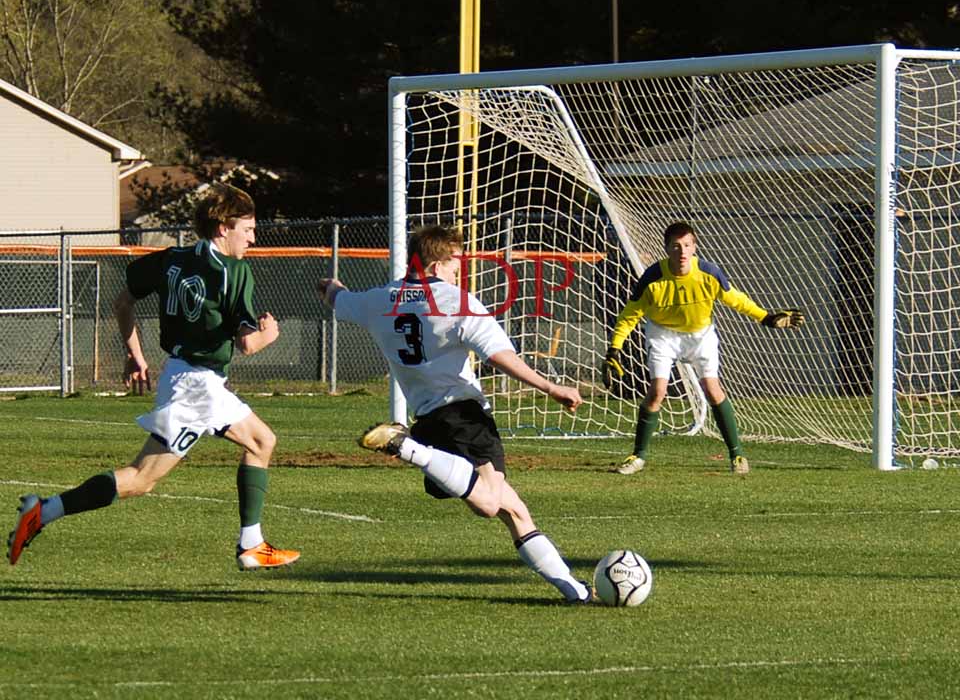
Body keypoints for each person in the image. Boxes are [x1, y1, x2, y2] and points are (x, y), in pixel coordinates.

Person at [7, 186, 300, 571]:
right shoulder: (233, 272)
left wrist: (135, 354)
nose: (252, 238)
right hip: (197, 387)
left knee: (262, 441)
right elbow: (248, 344)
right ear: (222, 228)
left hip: (187, 377)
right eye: (247, 229)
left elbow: (122, 302)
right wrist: (270, 334)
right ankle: (43, 512)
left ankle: (252, 543)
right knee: (140, 479)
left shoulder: (171, 258)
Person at [318, 224, 593, 604]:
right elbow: (499, 356)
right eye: (455, 267)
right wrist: (551, 387)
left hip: (430, 420)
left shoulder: (378, 300)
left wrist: (329, 286)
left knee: (515, 511)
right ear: (435, 266)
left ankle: (575, 591)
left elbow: (335, 297)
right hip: (464, 415)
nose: (457, 275)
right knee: (490, 503)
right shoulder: (457, 302)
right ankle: (408, 448)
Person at [602, 221, 805, 476]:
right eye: (676, 246)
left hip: (700, 335)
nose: (682, 251)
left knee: (712, 389)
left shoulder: (709, 273)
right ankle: (638, 456)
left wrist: (765, 317)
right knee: (657, 392)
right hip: (663, 335)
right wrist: (614, 349)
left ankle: (737, 454)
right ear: (667, 249)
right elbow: (629, 315)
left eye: (687, 245)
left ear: (695, 247)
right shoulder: (652, 277)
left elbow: (736, 299)